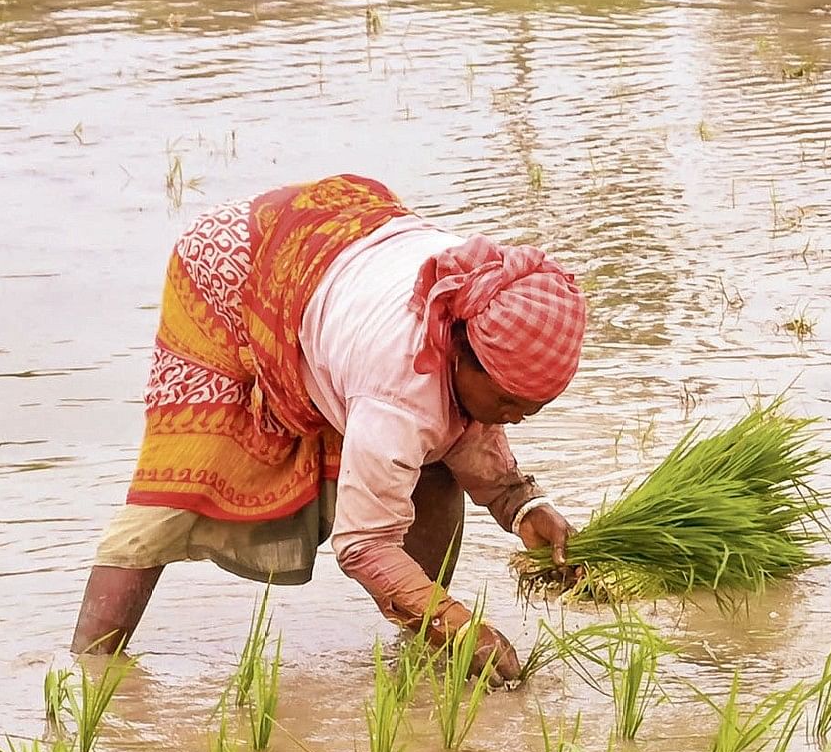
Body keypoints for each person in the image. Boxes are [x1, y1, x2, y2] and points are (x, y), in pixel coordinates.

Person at [73, 174, 585, 670]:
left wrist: (524, 506)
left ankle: (422, 644)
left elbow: (467, 429)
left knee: (436, 459)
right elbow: (363, 544)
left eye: (530, 410)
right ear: (458, 350)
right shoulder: (399, 387)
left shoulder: (483, 299)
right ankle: (83, 670)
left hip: (337, 250)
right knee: (177, 488)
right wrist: (456, 626)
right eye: (508, 402)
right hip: (232, 273)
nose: (513, 420)